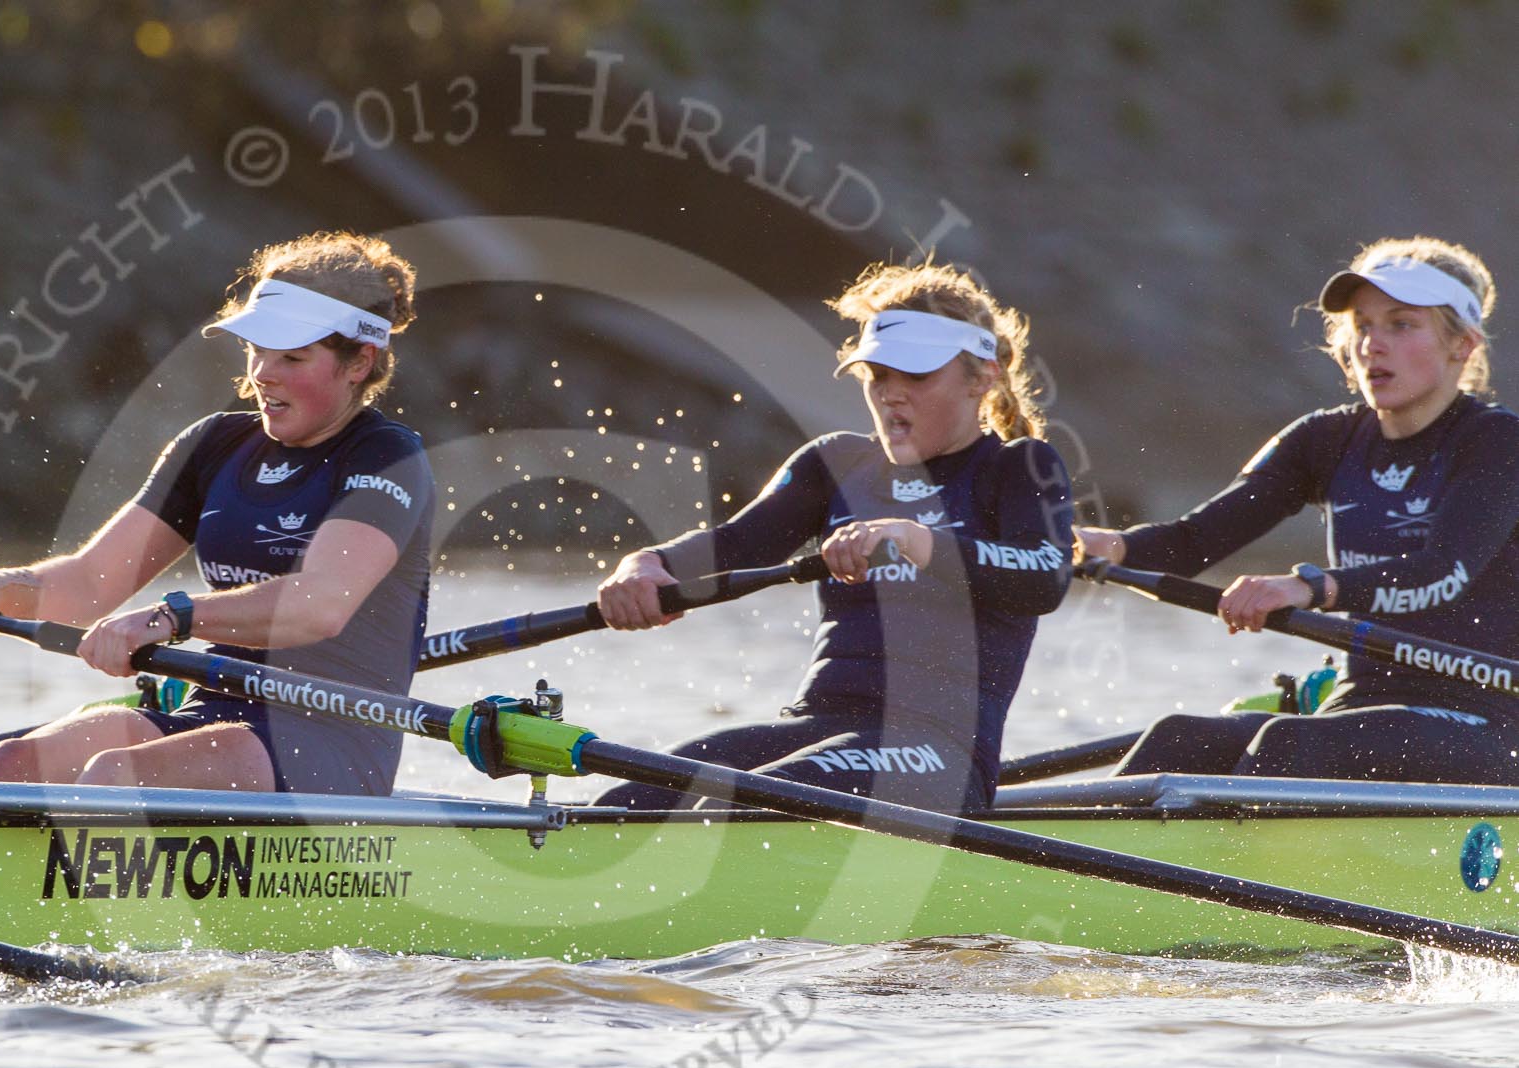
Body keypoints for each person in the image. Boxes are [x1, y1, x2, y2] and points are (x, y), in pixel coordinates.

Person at [0, 231, 433, 796]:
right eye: (255, 349)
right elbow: (88, 584)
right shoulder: (215, 446)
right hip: (213, 708)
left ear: (359, 363)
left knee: (113, 776)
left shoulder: (386, 457)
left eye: (292, 358)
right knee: (3, 773)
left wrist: (170, 617)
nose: (262, 374)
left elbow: (318, 605)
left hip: (331, 735)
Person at [594, 261, 1074, 813]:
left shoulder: (1019, 467)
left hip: (938, 751)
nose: (891, 395)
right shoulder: (838, 464)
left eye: (916, 376)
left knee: (748, 806)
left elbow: (1045, 578)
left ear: (982, 377)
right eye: (878, 376)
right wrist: (647, 564)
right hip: (819, 726)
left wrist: (921, 543)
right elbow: (733, 546)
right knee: (622, 806)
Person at [1075, 237, 1519, 783]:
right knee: (1178, 737)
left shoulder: (1497, 442)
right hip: (1363, 707)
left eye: (1401, 325)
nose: (1372, 344)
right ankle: (1063, 867)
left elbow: (1444, 572)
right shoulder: (1324, 439)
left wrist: (1311, 587)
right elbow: (1193, 541)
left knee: (1288, 743)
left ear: (1463, 346)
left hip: (1486, 722)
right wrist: (1109, 547)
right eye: (1362, 324)